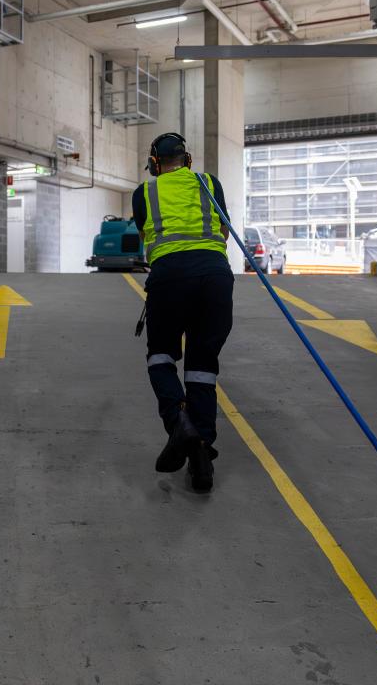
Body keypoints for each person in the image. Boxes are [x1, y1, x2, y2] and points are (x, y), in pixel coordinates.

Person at [131, 132, 234, 493]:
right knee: (203, 366)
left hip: (170, 277)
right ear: (187, 159)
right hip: (216, 277)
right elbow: (222, 229)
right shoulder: (209, 183)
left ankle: (178, 421)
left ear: (155, 164)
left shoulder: (144, 192)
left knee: (160, 355)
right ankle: (201, 455)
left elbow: (145, 234)